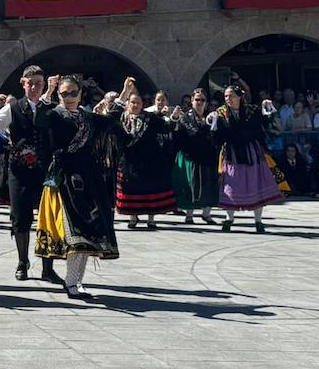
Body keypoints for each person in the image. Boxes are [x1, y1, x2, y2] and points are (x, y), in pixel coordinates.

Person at [34, 74, 124, 301]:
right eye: (64, 93)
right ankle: (71, 282)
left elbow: (110, 121)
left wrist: (122, 94)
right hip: (65, 179)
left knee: (88, 231)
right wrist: (49, 90)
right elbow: (39, 120)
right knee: (76, 231)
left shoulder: (88, 117)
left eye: (74, 92)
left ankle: (75, 282)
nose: (70, 97)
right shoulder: (54, 114)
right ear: (59, 95)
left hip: (89, 178)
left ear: (80, 93)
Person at [0, 66, 62, 284]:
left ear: (44, 84)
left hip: (46, 170)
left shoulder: (52, 108)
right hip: (19, 170)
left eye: (39, 82)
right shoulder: (13, 108)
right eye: (31, 82)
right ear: (23, 83)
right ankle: (22, 262)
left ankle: (48, 267)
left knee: (49, 218)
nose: (35, 87)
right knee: (20, 216)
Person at [210, 85, 284, 231]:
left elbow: (265, 123)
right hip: (232, 153)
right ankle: (228, 219)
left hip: (251, 152)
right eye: (226, 96)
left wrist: (267, 110)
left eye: (231, 95)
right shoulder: (221, 112)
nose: (228, 99)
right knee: (231, 185)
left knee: (255, 183)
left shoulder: (252, 110)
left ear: (239, 97)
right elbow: (216, 133)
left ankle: (258, 221)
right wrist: (212, 121)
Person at [115, 84, 177, 230]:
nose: (135, 105)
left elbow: (166, 127)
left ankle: (151, 219)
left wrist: (173, 118)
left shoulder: (150, 118)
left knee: (151, 190)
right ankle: (133, 217)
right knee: (130, 189)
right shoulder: (122, 118)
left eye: (138, 103)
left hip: (149, 160)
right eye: (133, 102)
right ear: (128, 104)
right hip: (128, 161)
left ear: (143, 104)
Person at [173, 89, 220, 224]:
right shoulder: (185, 117)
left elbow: (216, 135)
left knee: (209, 186)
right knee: (191, 185)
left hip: (209, 156)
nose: (199, 102)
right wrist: (208, 126)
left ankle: (207, 214)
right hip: (191, 156)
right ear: (192, 101)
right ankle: (189, 215)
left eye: (202, 100)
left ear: (206, 102)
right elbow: (193, 134)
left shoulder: (210, 117)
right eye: (197, 100)